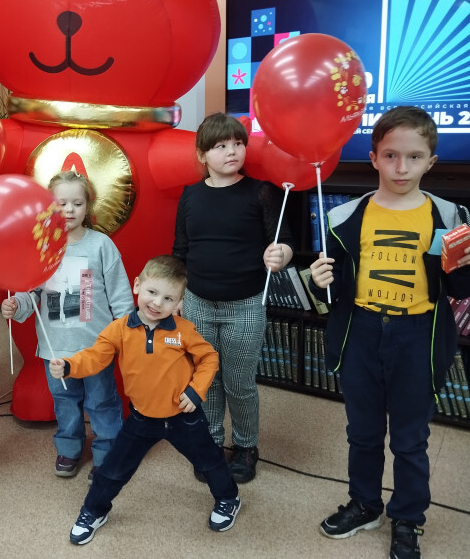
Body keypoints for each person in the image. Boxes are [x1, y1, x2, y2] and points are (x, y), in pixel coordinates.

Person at [309, 106, 470, 559]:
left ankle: (408, 517)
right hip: (361, 332)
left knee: (409, 439)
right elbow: (334, 289)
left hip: (417, 336)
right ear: (374, 157)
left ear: (430, 162)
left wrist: (463, 264)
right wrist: (319, 281)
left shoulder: (449, 215)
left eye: (414, 157)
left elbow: (460, 289)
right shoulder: (346, 216)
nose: (402, 167)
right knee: (361, 432)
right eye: (391, 156)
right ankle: (365, 504)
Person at [48, 255, 240, 545]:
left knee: (210, 462)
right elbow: (95, 357)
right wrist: (69, 366)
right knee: (113, 469)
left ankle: (228, 498)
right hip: (141, 419)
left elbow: (209, 358)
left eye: (168, 298)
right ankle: (93, 511)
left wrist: (196, 390)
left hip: (183, 417)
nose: (157, 303)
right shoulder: (119, 329)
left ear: (179, 303)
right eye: (152, 292)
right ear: (137, 285)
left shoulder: (183, 331)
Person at [172, 112, 294, 483]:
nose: (232, 151)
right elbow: (180, 249)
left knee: (239, 383)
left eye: (238, 143)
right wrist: (177, 294)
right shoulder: (190, 195)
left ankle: (245, 446)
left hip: (245, 304)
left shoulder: (261, 191)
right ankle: (210, 441)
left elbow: (284, 243)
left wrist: (281, 255)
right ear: (202, 155)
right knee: (205, 379)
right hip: (197, 303)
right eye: (221, 146)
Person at [1, 170, 133, 482]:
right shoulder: (42, 247)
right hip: (56, 348)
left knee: (102, 402)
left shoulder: (101, 245)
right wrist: (16, 304)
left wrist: (126, 334)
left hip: (95, 346)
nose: (69, 210)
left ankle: (108, 452)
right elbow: (31, 291)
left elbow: (120, 294)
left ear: (88, 206)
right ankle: (69, 448)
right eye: (61, 203)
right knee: (65, 401)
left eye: (77, 203)